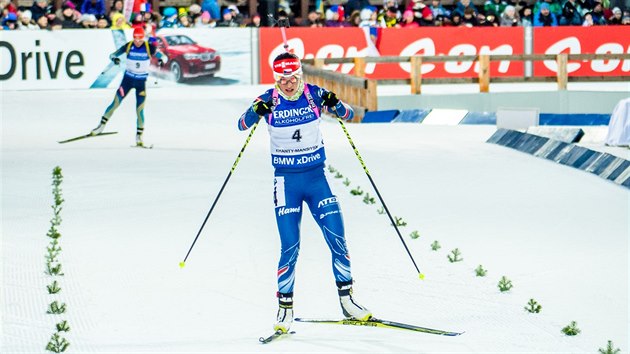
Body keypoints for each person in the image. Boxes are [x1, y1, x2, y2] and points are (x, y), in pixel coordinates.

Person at [237, 52, 372, 334]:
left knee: (338, 237)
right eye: (282, 80)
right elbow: (241, 124)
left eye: (293, 78)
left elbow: (350, 114)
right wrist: (255, 112)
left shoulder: (314, 95)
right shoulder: (268, 99)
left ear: (300, 75)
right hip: (286, 183)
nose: (288, 84)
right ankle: (285, 309)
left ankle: (348, 302)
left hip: (316, 179)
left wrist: (336, 103)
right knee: (290, 246)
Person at [90, 27, 166, 147]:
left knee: (139, 110)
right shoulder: (129, 45)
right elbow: (112, 55)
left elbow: (164, 56)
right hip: (127, 80)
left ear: (143, 38)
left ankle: (139, 136)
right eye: (135, 38)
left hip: (141, 82)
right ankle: (100, 126)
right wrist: (115, 58)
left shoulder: (149, 47)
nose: (137, 41)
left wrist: (162, 60)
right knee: (115, 103)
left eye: (140, 39)